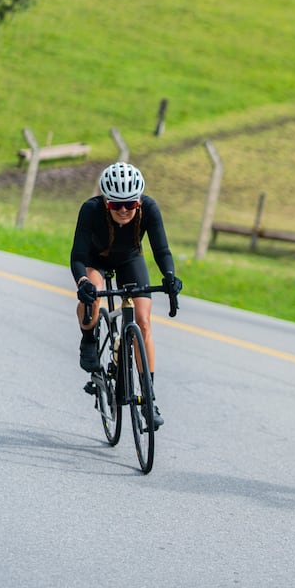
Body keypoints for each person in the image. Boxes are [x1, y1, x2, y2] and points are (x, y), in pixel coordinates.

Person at [70, 162, 182, 428]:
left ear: (139, 201)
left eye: (129, 204)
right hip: (95, 261)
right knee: (93, 295)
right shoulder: (90, 209)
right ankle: (88, 339)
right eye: (115, 205)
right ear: (106, 201)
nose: (122, 210)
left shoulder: (150, 209)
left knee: (143, 322)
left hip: (130, 260)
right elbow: (78, 256)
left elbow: (161, 250)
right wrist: (83, 281)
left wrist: (169, 276)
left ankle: (149, 399)